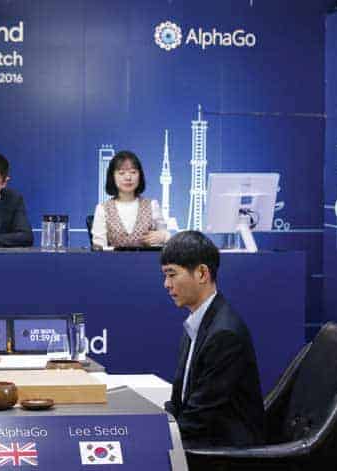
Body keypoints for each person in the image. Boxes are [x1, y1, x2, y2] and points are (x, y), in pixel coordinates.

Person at [160, 231, 264, 449]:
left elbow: (199, 417)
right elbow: (180, 401)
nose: (166, 285)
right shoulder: (198, 322)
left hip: (224, 451)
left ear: (201, 273)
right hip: (200, 437)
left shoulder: (224, 334)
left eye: (172, 274)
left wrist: (158, 438)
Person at [91, 151, 168, 249]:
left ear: (140, 176)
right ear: (112, 177)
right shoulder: (102, 209)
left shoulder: (152, 205)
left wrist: (164, 237)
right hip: (112, 263)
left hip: (147, 263)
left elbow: (165, 241)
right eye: (121, 173)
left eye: (133, 172)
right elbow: (99, 249)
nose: (128, 177)